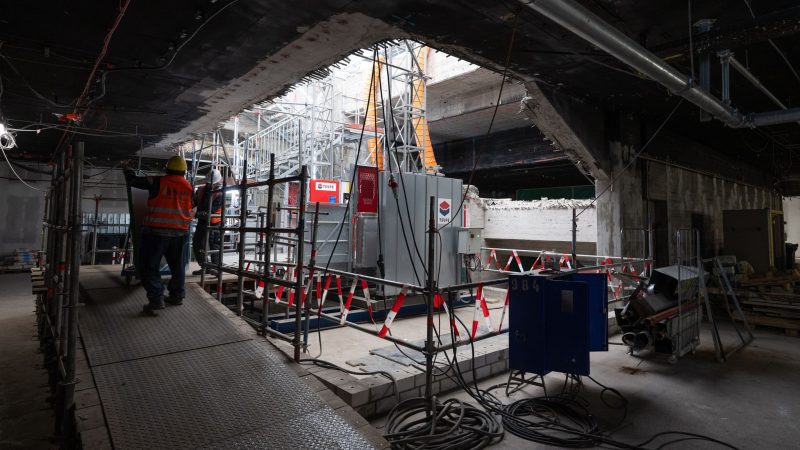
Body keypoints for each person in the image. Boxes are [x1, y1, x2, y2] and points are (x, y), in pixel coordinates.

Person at [124, 156, 193, 315]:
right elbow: (191, 205)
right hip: (180, 233)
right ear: (184, 171)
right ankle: (177, 296)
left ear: (167, 169)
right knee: (177, 267)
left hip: (156, 232)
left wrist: (127, 169)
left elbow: (133, 181)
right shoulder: (188, 186)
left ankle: (156, 298)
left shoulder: (158, 182)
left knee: (149, 266)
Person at [192, 169, 224, 275]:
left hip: (215, 223)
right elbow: (195, 202)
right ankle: (205, 266)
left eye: (213, 183)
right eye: (209, 183)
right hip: (202, 221)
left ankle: (216, 268)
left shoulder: (220, 194)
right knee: (197, 243)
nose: (210, 185)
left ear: (218, 182)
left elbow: (211, 210)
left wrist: (195, 214)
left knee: (214, 245)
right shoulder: (201, 190)